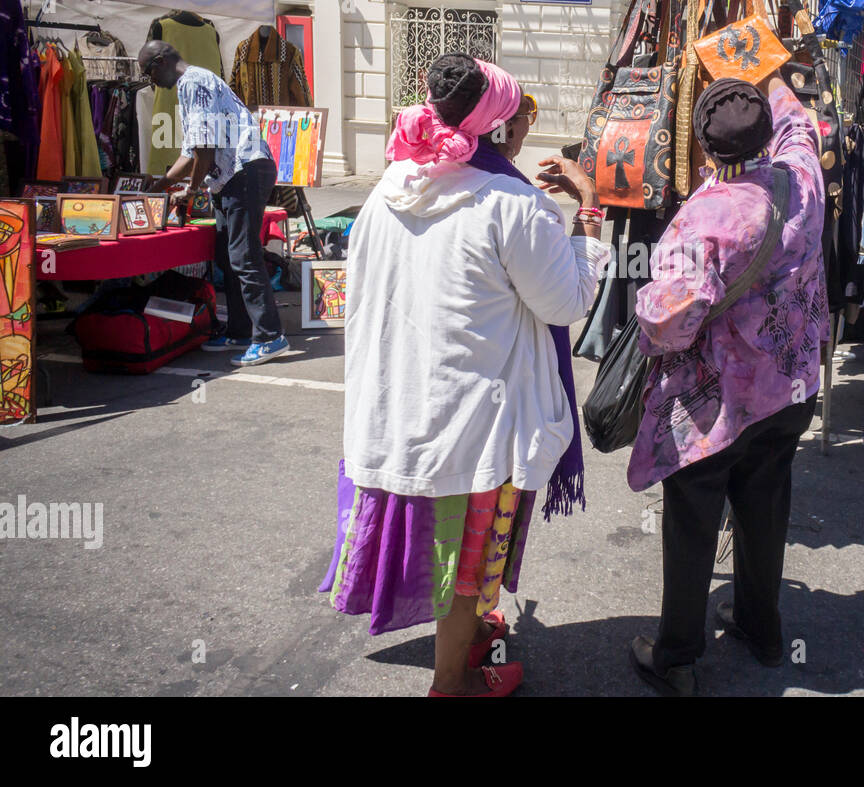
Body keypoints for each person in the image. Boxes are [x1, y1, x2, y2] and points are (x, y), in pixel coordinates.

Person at [323, 53, 609, 697]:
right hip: (477, 422)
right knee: (468, 566)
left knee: (450, 552)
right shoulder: (515, 205)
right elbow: (565, 303)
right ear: (503, 130)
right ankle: (450, 685)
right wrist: (588, 209)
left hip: (401, 407)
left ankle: (468, 642)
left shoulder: (388, 186)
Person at [627, 75, 828, 696]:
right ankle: (761, 630)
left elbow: (666, 321)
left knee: (693, 521)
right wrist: (763, 70)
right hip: (789, 389)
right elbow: (800, 123)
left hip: (717, 407)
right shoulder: (801, 177)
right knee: (766, 507)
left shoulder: (704, 216)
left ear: (707, 150)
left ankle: (679, 658)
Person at [138, 41, 289, 367]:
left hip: (243, 171)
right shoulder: (189, 86)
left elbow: (205, 145)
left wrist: (191, 190)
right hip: (231, 176)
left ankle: (270, 336)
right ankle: (239, 329)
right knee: (225, 253)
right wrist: (161, 185)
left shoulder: (194, 82)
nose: (152, 81)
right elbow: (190, 152)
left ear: (161, 61)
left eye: (149, 72)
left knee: (243, 255)